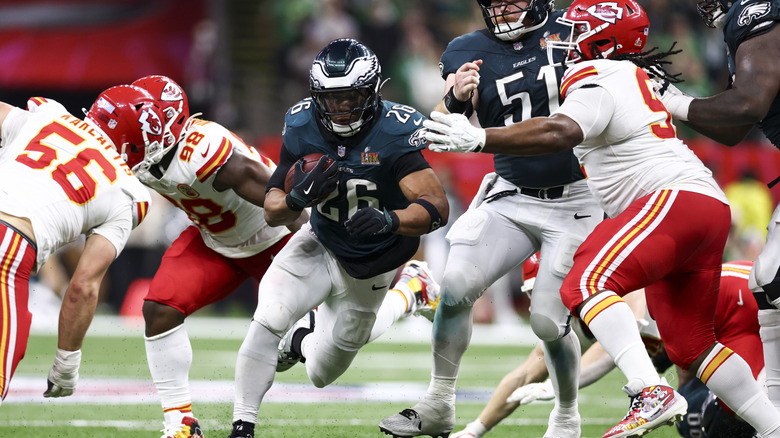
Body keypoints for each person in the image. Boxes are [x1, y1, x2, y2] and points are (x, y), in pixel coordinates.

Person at [421, 0, 780, 436]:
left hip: (670, 200)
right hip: (698, 205)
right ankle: (772, 426)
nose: (564, 41)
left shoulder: (601, 74)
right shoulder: (629, 74)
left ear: (603, 40)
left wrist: (481, 136)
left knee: (584, 284)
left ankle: (650, 391)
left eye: (576, 32)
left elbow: (561, 131)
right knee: (694, 346)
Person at [379, 1, 605, 437]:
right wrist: (455, 98)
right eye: (493, 3)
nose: (501, 10)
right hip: (512, 191)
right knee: (458, 283)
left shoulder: (578, 28)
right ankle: (439, 402)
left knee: (546, 319)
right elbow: (441, 130)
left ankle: (566, 413)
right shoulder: (467, 49)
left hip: (578, 195)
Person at [226, 38, 449, 438]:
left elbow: (436, 206)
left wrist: (390, 220)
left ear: (373, 91)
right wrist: (296, 197)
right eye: (330, 99)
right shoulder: (301, 123)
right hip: (319, 240)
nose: (340, 108)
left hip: (374, 261)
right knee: (267, 319)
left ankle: (411, 288)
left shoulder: (396, 132)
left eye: (350, 97)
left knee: (320, 373)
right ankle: (242, 426)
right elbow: (273, 208)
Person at [105, 75, 303, 438]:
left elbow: (285, 202)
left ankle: (407, 290)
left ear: (160, 131)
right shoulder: (149, 155)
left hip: (276, 238)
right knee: (159, 309)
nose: (120, 144)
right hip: (216, 240)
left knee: (321, 347)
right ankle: (180, 423)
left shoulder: (204, 150)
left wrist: (323, 247)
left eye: (133, 133)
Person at [452, 260, 764, 438]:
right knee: (691, 417)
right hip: (714, 332)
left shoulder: (611, 294)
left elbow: (610, 350)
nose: (538, 303)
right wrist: (473, 431)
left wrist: (558, 386)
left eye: (543, 292)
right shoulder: (569, 322)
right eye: (533, 294)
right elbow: (523, 376)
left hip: (745, 307)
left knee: (737, 413)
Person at [654, 0, 780, 413]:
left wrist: (671, 100)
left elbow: (749, 105)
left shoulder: (756, 13)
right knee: (765, 279)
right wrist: (673, 101)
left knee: (773, 276)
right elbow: (734, 129)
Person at [0, 89, 155, 404]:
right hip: (9, 247)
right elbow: (83, 287)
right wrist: (67, 364)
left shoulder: (48, 114)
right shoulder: (129, 192)